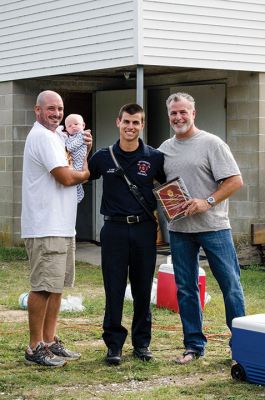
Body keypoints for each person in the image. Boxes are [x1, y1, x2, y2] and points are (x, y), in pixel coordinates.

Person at [158, 92, 245, 364]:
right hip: (181, 230)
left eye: (183, 112)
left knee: (230, 286)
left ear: (193, 114)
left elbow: (235, 181)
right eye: (174, 113)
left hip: (214, 227)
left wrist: (207, 201)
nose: (178, 117)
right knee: (186, 289)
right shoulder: (164, 149)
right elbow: (160, 186)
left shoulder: (211, 143)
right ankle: (194, 346)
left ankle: (240, 345)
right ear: (168, 115)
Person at [88, 103, 165, 365]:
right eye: (126, 122)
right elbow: (79, 176)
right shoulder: (102, 156)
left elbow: (171, 186)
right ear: (117, 122)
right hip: (114, 230)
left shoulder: (154, 157)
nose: (131, 127)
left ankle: (142, 344)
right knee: (114, 288)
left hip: (144, 229)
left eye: (136, 123)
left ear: (142, 125)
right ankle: (114, 345)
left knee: (143, 288)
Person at [21, 90, 92, 367]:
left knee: (57, 286)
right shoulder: (41, 136)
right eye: (50, 108)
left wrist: (85, 149)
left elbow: (77, 157)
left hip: (62, 224)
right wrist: (85, 173)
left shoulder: (58, 136)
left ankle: (49, 340)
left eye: (60, 108)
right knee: (42, 287)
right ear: (37, 110)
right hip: (45, 226)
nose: (56, 113)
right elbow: (65, 176)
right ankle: (34, 347)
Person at [64, 113, 87, 203]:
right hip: (72, 162)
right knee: (75, 182)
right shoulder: (70, 137)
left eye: (76, 124)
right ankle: (76, 197)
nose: (73, 127)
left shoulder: (82, 135)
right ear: (66, 129)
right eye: (69, 126)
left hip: (79, 162)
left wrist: (66, 146)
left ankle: (79, 196)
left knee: (75, 180)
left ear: (83, 125)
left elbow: (70, 147)